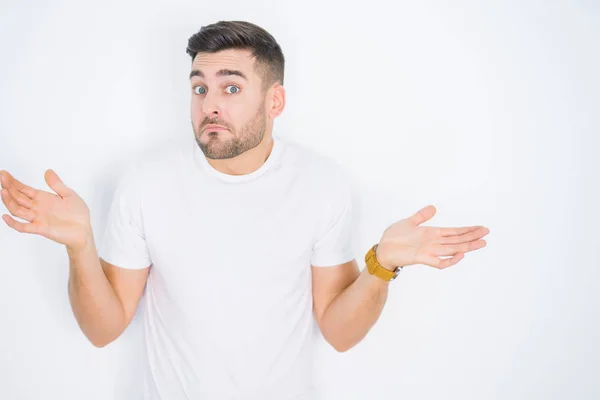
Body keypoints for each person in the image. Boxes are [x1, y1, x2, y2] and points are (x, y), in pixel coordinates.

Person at [0, 20, 490, 400]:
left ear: (275, 100)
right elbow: (103, 330)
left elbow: (339, 333)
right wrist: (82, 247)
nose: (210, 104)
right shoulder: (145, 183)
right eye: (199, 87)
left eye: (231, 87)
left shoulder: (322, 184)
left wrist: (382, 265)